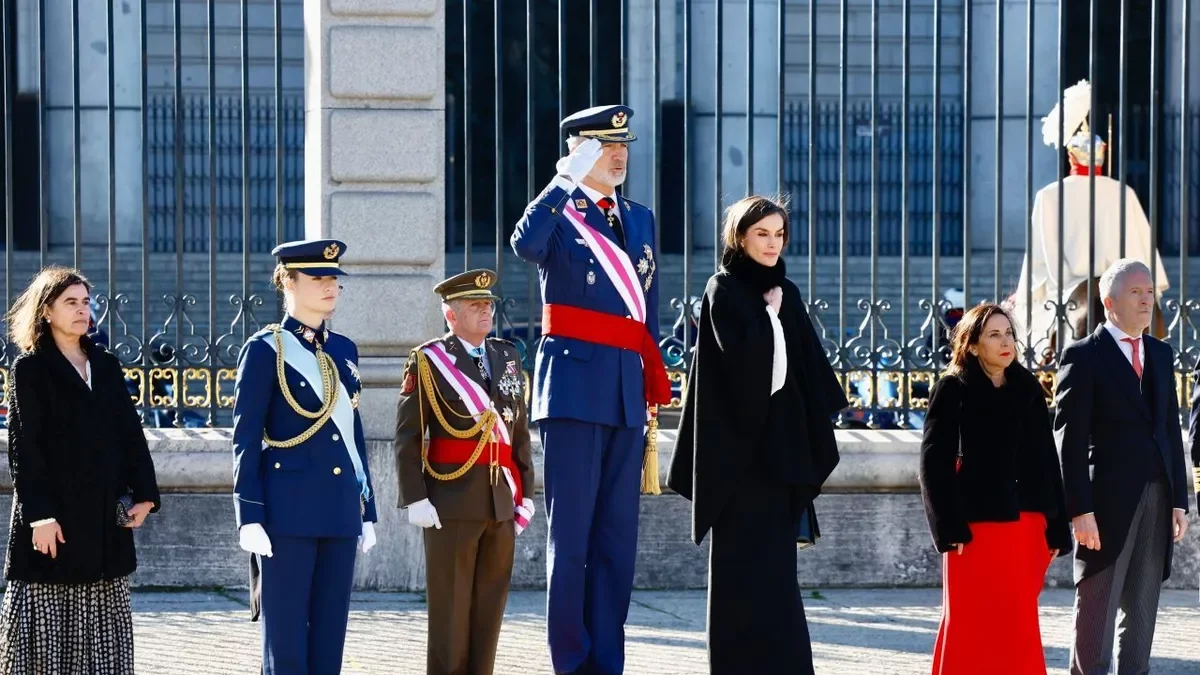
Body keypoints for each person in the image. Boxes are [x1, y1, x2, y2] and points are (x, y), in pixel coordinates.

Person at [510, 104, 672, 675]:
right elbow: (526, 245)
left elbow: (646, 310)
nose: (619, 154)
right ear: (578, 152)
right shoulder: (558, 212)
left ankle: (607, 661)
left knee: (615, 543)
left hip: (626, 391)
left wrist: (649, 382)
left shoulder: (640, 218)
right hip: (573, 390)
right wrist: (563, 181)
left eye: (623, 144)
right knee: (573, 540)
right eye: (605, 146)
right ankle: (572, 662)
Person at [666, 196, 847, 675]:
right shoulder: (723, 289)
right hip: (739, 466)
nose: (772, 243)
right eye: (762, 233)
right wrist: (769, 319)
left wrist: (777, 314)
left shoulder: (786, 291)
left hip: (780, 460)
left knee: (778, 582)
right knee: (739, 580)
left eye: (778, 234)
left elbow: (805, 374)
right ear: (740, 237)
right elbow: (750, 378)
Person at [1, 266, 160, 673]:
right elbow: (25, 449)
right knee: (46, 639)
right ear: (46, 311)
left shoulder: (106, 364)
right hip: (53, 520)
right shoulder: (30, 369)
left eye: (86, 302)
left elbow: (131, 433)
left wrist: (145, 495)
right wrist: (40, 517)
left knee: (104, 643)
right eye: (70, 302)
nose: (82, 310)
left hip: (104, 520)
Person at [231, 239, 379, 675]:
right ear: (288, 282)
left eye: (334, 279)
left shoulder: (344, 349)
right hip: (287, 513)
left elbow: (353, 433)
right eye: (318, 278)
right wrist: (249, 515)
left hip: (339, 509)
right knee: (287, 646)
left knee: (329, 644)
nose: (330, 287)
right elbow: (245, 438)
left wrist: (367, 510)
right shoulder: (265, 349)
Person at [394, 269, 535, 675]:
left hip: (500, 503)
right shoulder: (429, 360)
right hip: (451, 503)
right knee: (451, 616)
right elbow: (407, 435)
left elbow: (518, 431)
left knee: (489, 615)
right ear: (451, 315)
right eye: (474, 305)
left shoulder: (507, 356)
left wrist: (525, 494)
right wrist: (415, 497)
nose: (485, 310)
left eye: (488, 303)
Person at [919, 302, 1072, 675]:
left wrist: (1057, 526)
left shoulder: (1027, 387)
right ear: (972, 345)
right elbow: (933, 464)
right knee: (970, 624)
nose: (1006, 342)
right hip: (973, 530)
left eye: (1009, 334)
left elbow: (1046, 459)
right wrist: (947, 527)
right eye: (994, 335)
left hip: (1027, 525)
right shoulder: (953, 388)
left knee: (1018, 626)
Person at [1054, 258, 1190, 675]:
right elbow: (1069, 441)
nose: (1147, 300)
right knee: (1098, 605)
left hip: (1157, 497)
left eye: (1149, 292)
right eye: (1136, 292)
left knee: (1143, 606)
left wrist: (1179, 501)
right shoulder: (1083, 356)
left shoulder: (1161, 354)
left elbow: (1170, 430)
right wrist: (1079, 510)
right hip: (1104, 505)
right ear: (1109, 302)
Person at [1009, 79, 1168, 355]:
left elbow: (1041, 258)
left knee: (1036, 338)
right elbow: (1142, 250)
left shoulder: (1049, 195)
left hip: (1069, 285)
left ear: (1071, 157)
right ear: (1101, 156)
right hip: (1125, 280)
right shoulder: (1124, 191)